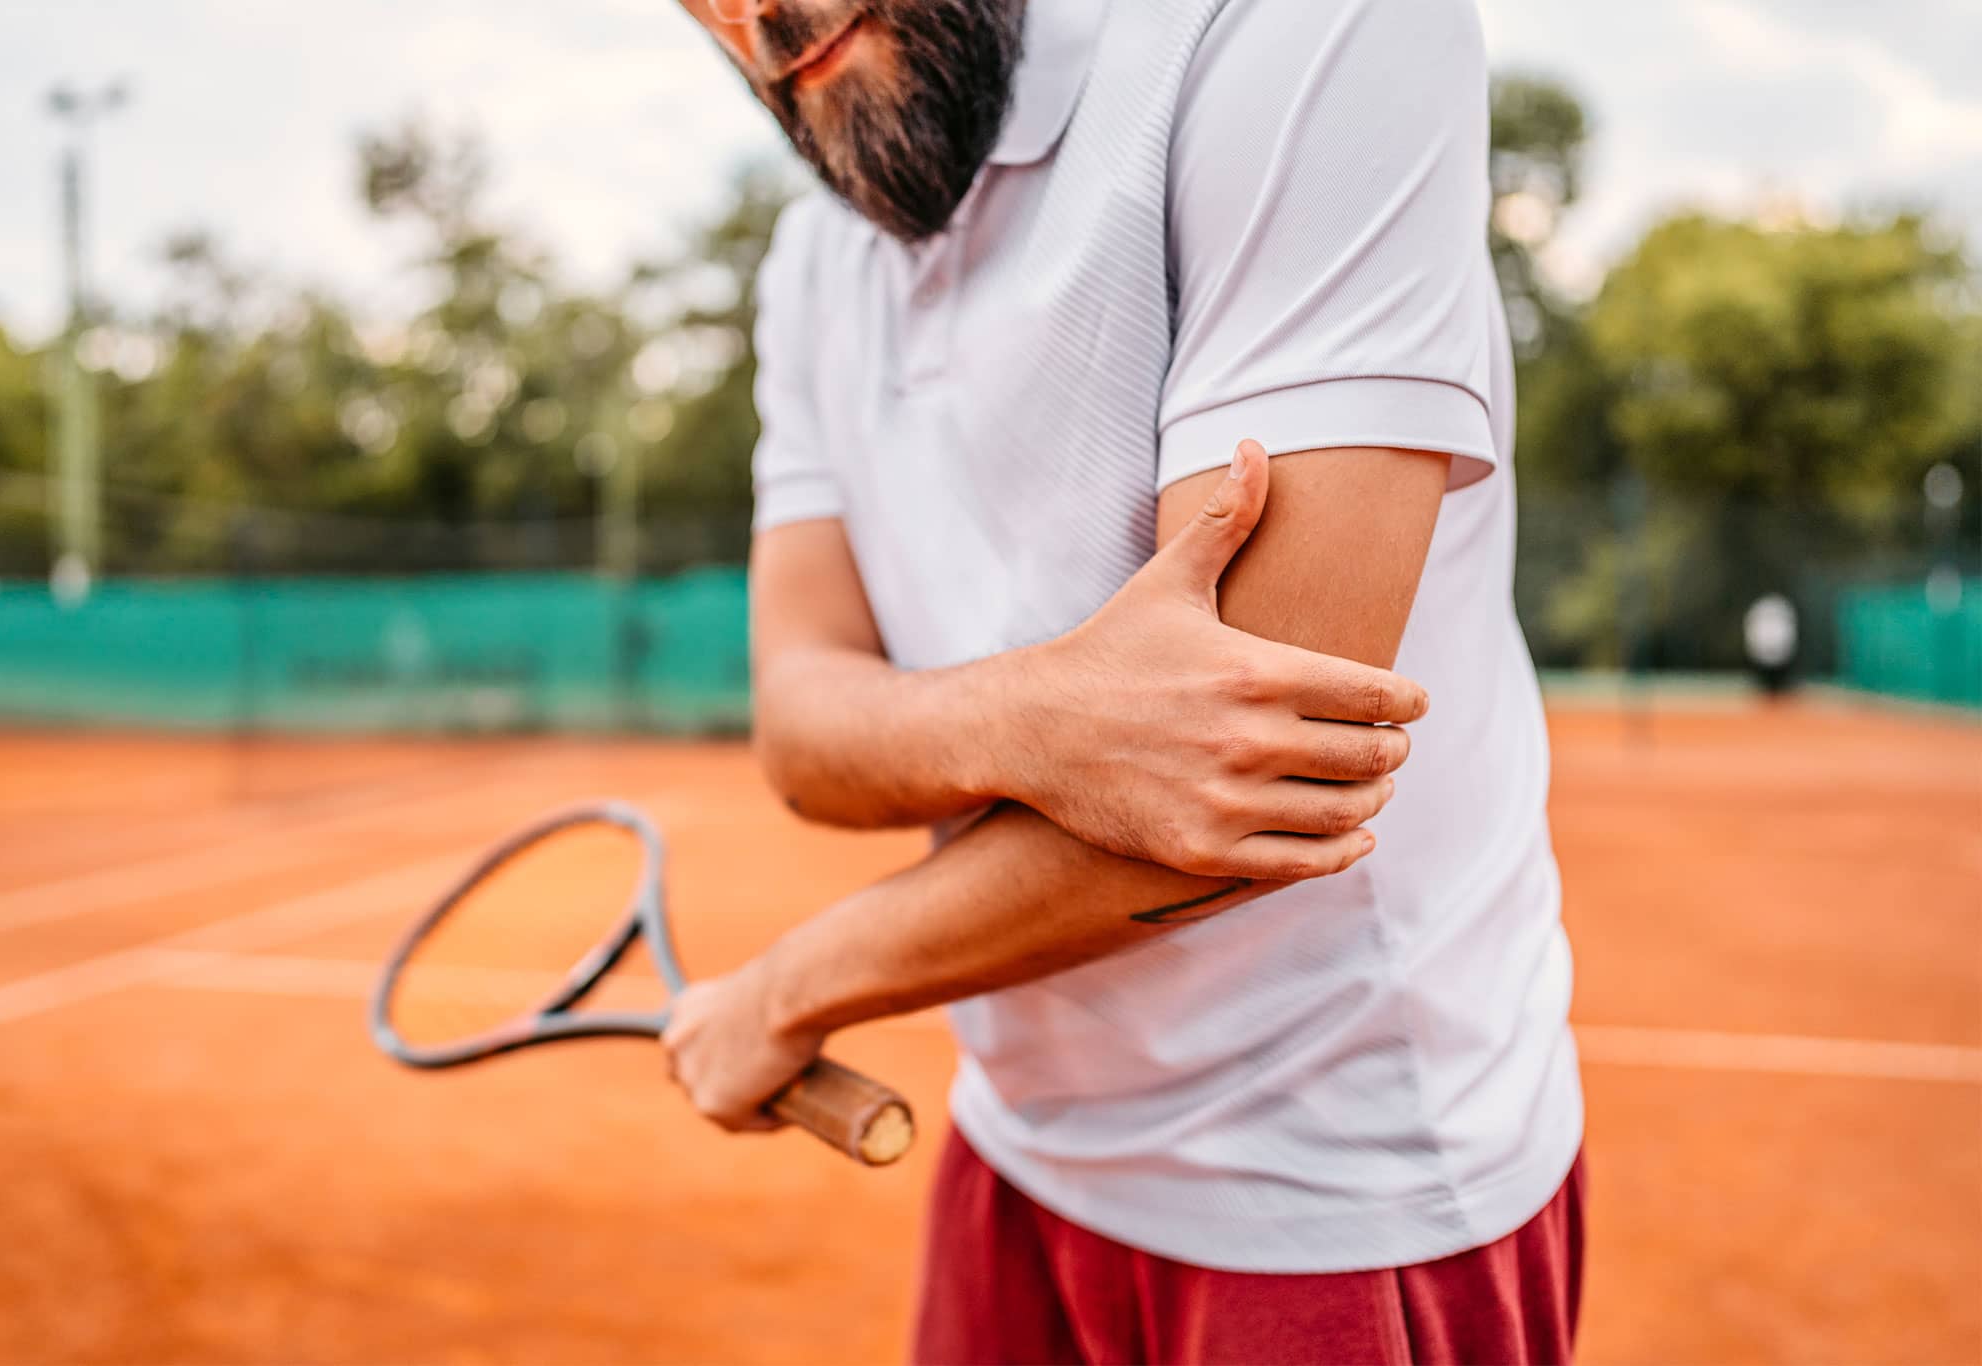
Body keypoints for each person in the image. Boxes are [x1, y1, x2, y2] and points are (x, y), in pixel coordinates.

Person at [661, 0, 1585, 1360]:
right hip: (1019, 1150)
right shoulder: (810, 262)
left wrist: (786, 990)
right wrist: (1036, 716)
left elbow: (1259, 762)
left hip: (1339, 1198)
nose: (752, 12)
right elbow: (800, 722)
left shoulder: (1303, 25)